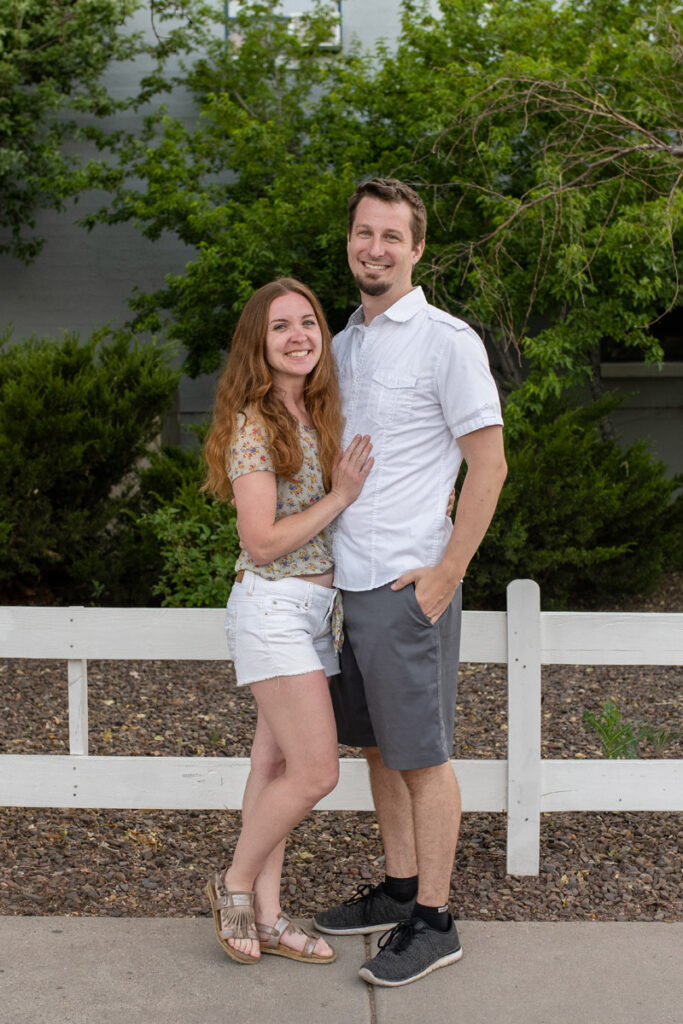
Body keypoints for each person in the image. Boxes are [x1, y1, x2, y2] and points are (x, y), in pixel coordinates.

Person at [312, 178, 508, 987]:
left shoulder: (445, 339)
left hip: (405, 585)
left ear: (417, 248)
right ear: (350, 241)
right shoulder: (344, 344)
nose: (374, 248)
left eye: (391, 236)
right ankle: (398, 890)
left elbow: (488, 463)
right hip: (346, 586)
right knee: (377, 748)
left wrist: (447, 571)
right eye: (364, 232)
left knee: (421, 756)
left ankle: (435, 920)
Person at [202, 277, 373, 965]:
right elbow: (263, 541)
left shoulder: (317, 412)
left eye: (308, 321)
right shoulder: (255, 422)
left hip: (312, 614)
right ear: (258, 343)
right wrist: (340, 496)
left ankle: (269, 918)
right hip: (272, 605)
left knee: (273, 762)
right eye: (281, 326)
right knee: (315, 771)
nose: (299, 334)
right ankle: (234, 884)